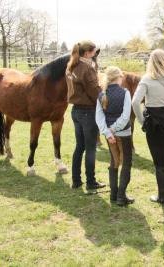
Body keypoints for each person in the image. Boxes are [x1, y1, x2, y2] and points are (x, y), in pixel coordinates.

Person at [132, 49, 164, 205]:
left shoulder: (147, 79)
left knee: (159, 161)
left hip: (154, 122)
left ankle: (163, 196)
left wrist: (141, 121)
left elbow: (135, 102)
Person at [66, 40, 106, 190]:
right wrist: (104, 99)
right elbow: (93, 90)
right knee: (90, 148)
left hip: (76, 110)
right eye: (94, 52)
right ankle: (91, 182)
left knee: (80, 147)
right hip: (88, 112)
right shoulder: (86, 68)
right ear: (88, 53)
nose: (95, 54)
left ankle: (76, 180)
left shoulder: (73, 66)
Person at [95, 66, 134, 206]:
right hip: (123, 133)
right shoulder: (125, 92)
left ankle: (113, 194)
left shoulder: (101, 94)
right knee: (126, 163)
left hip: (109, 136)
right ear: (119, 77)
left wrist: (107, 132)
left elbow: (98, 118)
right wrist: (113, 129)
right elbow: (125, 116)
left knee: (114, 162)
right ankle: (121, 196)